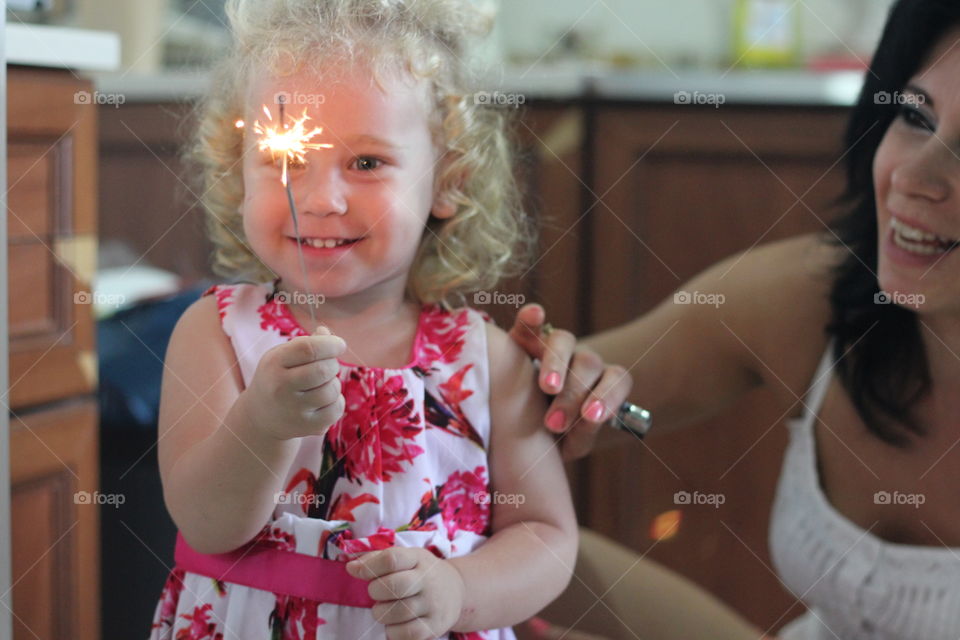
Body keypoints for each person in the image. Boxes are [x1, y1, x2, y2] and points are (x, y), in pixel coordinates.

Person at [510, 0, 960, 638]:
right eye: (916, 116)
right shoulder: (807, 296)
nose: (915, 176)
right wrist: (549, 382)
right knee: (481, 518)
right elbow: (515, 410)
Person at [147, 1, 577, 638]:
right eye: (288, 160)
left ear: (447, 181)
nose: (322, 200)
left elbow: (546, 537)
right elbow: (206, 523)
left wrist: (460, 589)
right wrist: (262, 426)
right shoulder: (216, 335)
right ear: (239, 170)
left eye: (367, 163)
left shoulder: (489, 360)